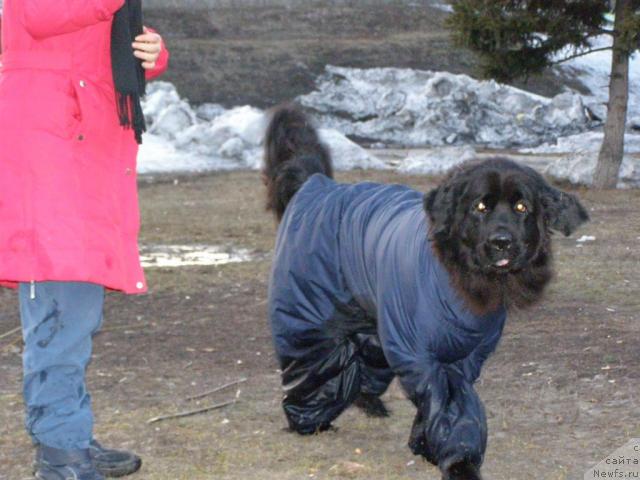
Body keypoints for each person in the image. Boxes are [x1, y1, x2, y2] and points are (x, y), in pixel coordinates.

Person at [0, 1, 169, 479]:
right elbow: (38, 14)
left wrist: (150, 48)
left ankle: (68, 435)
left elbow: (102, 36)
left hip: (80, 140)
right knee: (60, 309)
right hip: (50, 146)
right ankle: (61, 455)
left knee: (76, 310)